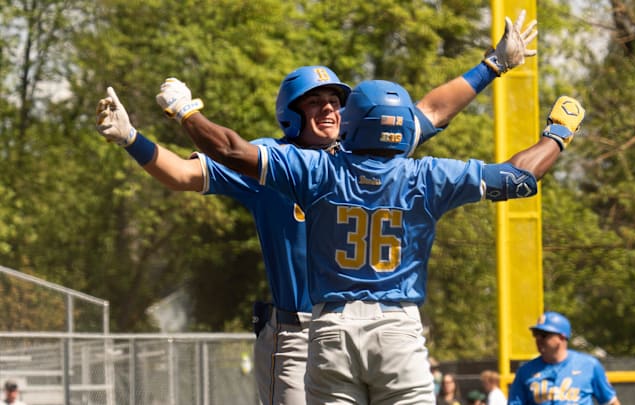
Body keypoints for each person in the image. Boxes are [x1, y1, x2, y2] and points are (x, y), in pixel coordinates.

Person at [95, 10, 538, 405]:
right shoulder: (273, 160)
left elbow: (432, 110)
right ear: (291, 113)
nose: (329, 109)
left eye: (336, 102)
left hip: (365, 324)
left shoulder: (371, 152)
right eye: (316, 102)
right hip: (296, 332)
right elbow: (182, 174)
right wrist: (134, 140)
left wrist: (492, 66)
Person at [507, 312, 621, 405]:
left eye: (544, 334)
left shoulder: (589, 365)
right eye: (536, 334)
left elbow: (610, 402)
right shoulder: (525, 371)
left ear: (562, 337)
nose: (538, 339)